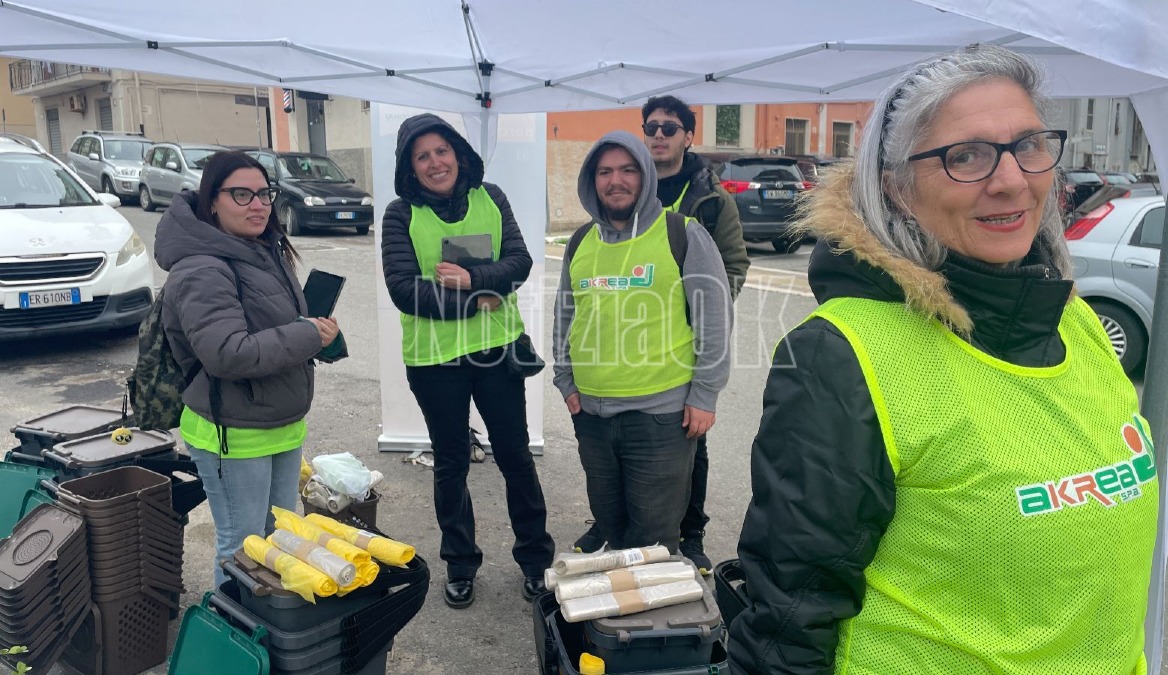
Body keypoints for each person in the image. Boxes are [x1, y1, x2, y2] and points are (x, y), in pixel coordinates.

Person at [727, 44, 1159, 674]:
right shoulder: (843, 356)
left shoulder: (1075, 317)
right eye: (966, 156)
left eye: (1029, 144)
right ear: (897, 188)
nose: (1010, 179)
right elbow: (790, 617)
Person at [381, 113, 554, 609]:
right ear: (410, 167)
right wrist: (479, 298)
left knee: (516, 458)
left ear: (458, 152)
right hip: (435, 362)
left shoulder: (491, 197)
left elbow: (519, 261)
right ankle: (460, 562)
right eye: (422, 156)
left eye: (442, 151)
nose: (435, 162)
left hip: (496, 353)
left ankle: (536, 559)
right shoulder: (400, 214)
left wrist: (473, 277)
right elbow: (403, 289)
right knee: (451, 463)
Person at [570, 96, 749, 575]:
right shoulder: (580, 241)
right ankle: (613, 626)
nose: (616, 180)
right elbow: (566, 314)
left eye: (628, 169)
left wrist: (704, 392)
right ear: (592, 179)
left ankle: (652, 628)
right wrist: (566, 381)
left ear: (644, 175)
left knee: (653, 541)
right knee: (612, 523)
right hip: (591, 413)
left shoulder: (686, 229)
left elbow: (715, 313)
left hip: (660, 412)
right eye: (605, 171)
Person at [155, 151, 340, 588]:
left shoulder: (265, 250)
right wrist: (307, 335)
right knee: (243, 545)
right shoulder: (202, 268)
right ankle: (235, 642)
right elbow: (228, 353)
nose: (258, 205)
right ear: (212, 201)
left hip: (278, 421)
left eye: (264, 193)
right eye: (241, 194)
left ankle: (268, 636)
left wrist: (316, 333)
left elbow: (276, 327)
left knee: (278, 538)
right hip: (232, 431)